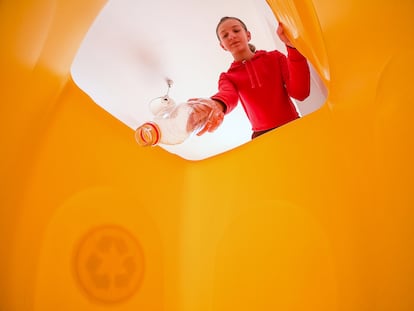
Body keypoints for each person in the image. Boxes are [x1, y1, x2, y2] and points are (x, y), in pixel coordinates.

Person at [188, 16, 310, 139]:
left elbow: (301, 93)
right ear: (223, 46)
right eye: (225, 36)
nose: (231, 36)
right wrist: (215, 105)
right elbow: (227, 95)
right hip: (262, 138)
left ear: (248, 35)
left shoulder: (275, 58)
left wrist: (293, 48)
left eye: (236, 31)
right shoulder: (227, 77)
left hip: (293, 126)